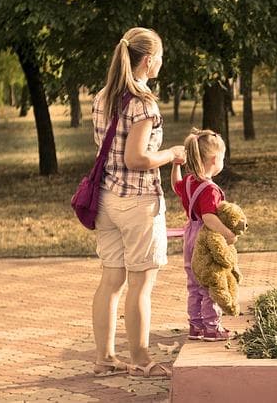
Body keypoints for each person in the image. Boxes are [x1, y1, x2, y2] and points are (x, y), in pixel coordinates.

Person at [91, 27, 185, 379]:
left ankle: (105, 358)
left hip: (106, 200)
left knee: (110, 280)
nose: (162, 62)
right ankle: (142, 359)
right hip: (138, 202)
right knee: (140, 284)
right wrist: (172, 153)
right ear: (148, 60)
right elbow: (136, 158)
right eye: (160, 56)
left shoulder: (102, 97)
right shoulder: (143, 104)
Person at [171, 128, 237, 341]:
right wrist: (227, 233)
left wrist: (175, 167)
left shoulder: (190, 181)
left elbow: (175, 186)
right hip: (204, 239)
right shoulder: (210, 189)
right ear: (215, 159)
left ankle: (195, 325)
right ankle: (212, 327)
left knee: (194, 283)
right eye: (223, 158)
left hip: (188, 233)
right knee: (210, 281)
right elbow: (209, 217)